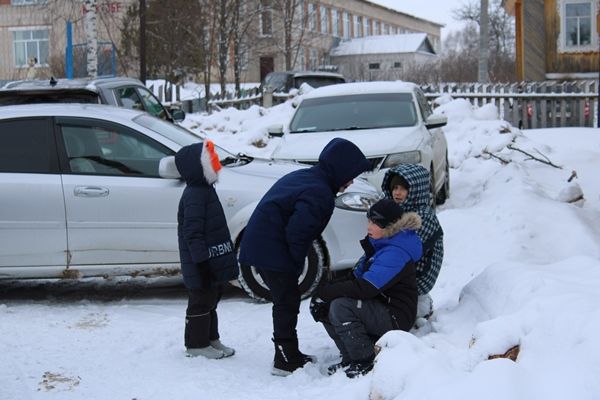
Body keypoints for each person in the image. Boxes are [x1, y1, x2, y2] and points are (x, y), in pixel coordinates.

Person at [239, 138, 371, 376]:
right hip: (271, 248)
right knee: (286, 302)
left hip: (264, 243)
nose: (351, 182)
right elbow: (298, 233)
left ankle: (290, 352)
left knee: (286, 300)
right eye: (350, 175)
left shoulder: (311, 178)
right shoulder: (319, 191)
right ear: (339, 169)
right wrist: (295, 264)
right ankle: (284, 359)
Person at [312, 199, 422, 378]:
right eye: (369, 220)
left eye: (375, 222)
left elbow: (366, 287)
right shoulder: (380, 243)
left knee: (341, 306)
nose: (368, 225)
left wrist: (328, 293)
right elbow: (356, 276)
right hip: (379, 305)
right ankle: (349, 357)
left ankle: (365, 359)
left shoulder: (396, 252)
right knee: (327, 303)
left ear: (390, 225)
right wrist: (323, 294)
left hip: (396, 316)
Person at [175, 140, 239, 359]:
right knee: (200, 301)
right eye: (211, 159)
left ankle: (211, 339)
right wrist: (201, 263)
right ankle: (196, 344)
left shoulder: (205, 190)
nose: (216, 162)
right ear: (199, 166)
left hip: (210, 259)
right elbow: (192, 233)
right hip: (200, 261)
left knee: (212, 298)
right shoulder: (194, 194)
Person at [381, 164, 444, 319]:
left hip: (418, 277)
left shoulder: (424, 217)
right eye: (394, 187)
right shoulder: (393, 210)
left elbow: (403, 253)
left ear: (416, 190)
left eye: (403, 188)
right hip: (400, 273)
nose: (397, 192)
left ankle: (416, 308)